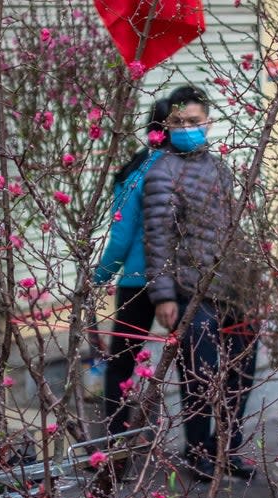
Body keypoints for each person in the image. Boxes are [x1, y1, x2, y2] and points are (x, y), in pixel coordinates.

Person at [142, 85, 258, 483]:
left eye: (195, 121)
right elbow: (157, 238)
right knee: (199, 377)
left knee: (240, 373)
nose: (188, 128)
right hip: (192, 291)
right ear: (167, 126)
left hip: (236, 289)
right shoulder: (162, 172)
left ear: (208, 122)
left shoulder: (219, 167)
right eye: (179, 122)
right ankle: (195, 453)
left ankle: (227, 449)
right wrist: (163, 296)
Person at [94, 99, 171, 436]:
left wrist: (98, 276)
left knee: (121, 364)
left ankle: (117, 440)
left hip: (137, 281)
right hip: (178, 280)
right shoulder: (185, 169)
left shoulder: (135, 172)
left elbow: (122, 237)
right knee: (185, 362)